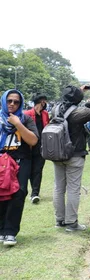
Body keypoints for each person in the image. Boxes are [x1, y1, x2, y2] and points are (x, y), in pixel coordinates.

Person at [52, 85, 90, 232]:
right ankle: (71, 223)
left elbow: (70, 99)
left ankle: (59, 220)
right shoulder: (78, 113)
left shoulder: (55, 109)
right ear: (78, 99)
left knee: (58, 188)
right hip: (74, 154)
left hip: (57, 153)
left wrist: (77, 91)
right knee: (73, 189)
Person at [0, 90, 39, 246]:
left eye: (16, 102)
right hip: (2, 161)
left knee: (19, 192)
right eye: (9, 100)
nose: (12, 104)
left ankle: (10, 231)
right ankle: (1, 229)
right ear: (4, 101)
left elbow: (33, 140)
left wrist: (18, 124)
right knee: (2, 193)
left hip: (21, 160)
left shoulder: (25, 119)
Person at [23, 93, 49, 204]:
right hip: (28, 147)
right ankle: (33, 192)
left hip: (41, 147)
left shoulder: (45, 114)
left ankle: (35, 194)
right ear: (38, 102)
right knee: (29, 171)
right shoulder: (27, 114)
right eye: (43, 101)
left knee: (38, 170)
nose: (45, 103)